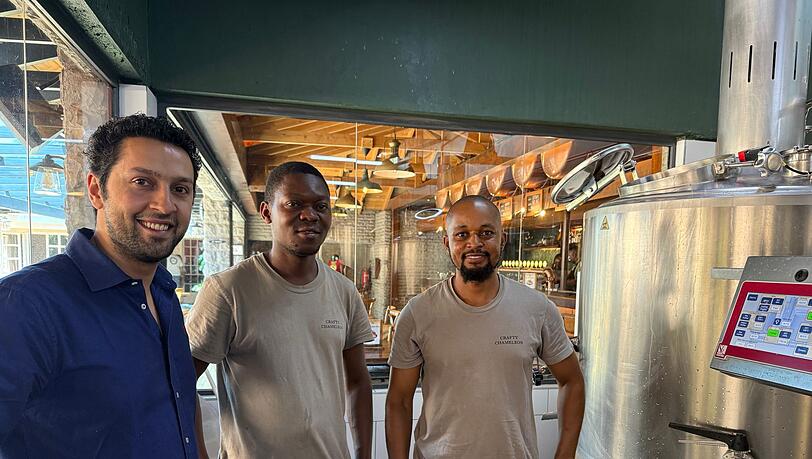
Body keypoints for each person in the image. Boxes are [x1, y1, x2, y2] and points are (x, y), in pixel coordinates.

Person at [0, 114, 202, 458]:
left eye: (179, 189)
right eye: (142, 182)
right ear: (96, 190)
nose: (165, 205)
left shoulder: (164, 295)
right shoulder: (27, 303)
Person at [186, 161, 374, 458]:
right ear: (266, 213)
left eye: (320, 206)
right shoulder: (228, 290)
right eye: (294, 204)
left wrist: (364, 455)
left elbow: (358, 380)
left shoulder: (344, 291)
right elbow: (181, 382)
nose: (310, 215)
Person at [385, 195, 585, 459]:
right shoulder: (418, 313)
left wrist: (565, 455)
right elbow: (398, 401)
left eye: (486, 233)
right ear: (447, 243)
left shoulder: (538, 309)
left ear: (502, 239)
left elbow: (572, 381)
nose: (474, 243)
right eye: (462, 234)